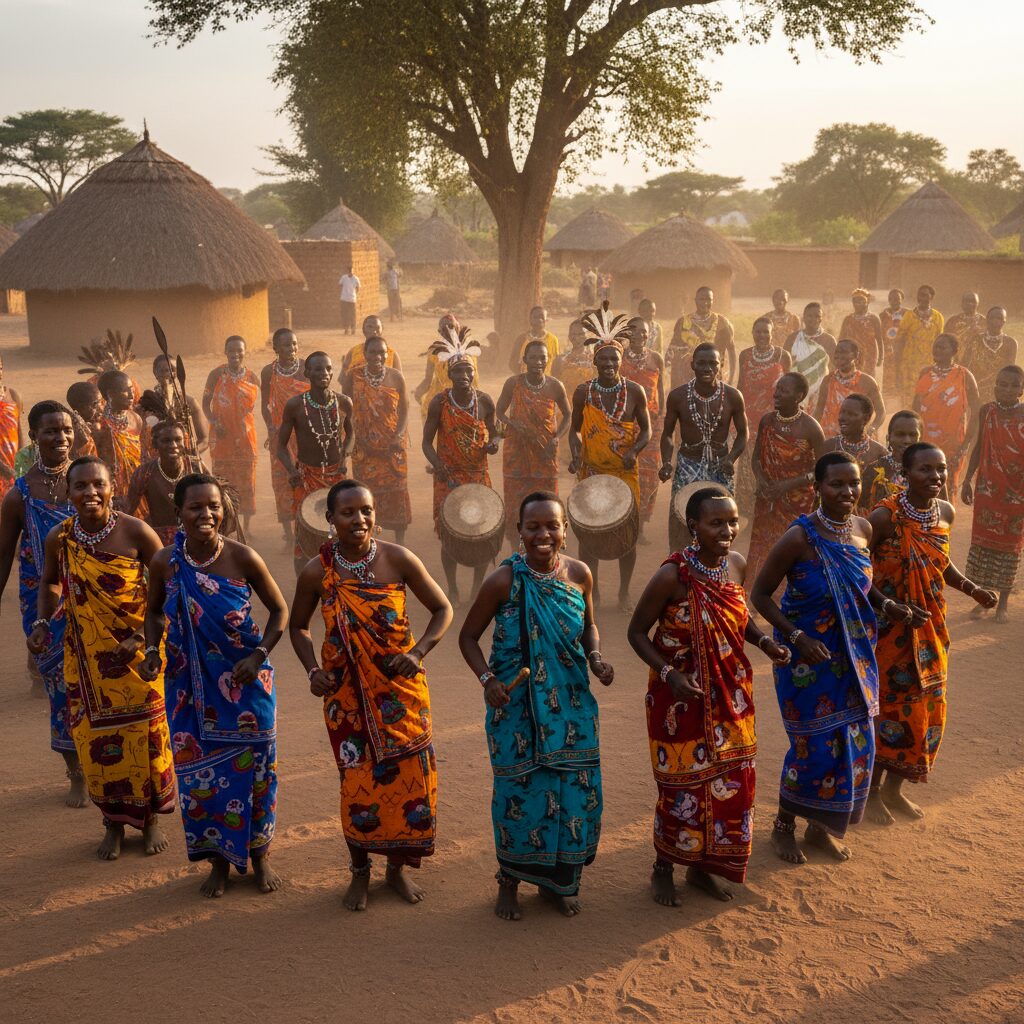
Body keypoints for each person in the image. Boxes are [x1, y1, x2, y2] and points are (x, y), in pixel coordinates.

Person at [290, 479, 453, 911]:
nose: (359, 519)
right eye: (348, 513)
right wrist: (312, 671)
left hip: (401, 692)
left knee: (410, 778)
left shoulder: (398, 559)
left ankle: (396, 870)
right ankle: (360, 871)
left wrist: (417, 653)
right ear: (330, 519)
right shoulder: (317, 572)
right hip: (346, 697)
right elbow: (298, 626)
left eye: (366, 510)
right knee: (357, 782)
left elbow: (443, 609)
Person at [629, 487, 790, 904]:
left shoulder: (735, 565)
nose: (727, 531)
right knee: (680, 786)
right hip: (678, 699)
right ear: (693, 526)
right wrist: (669, 675)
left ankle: (703, 869)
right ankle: (663, 867)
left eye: (733, 521)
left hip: (731, 694)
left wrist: (765, 642)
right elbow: (637, 633)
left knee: (730, 780)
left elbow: (740, 618)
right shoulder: (672, 576)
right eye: (716, 523)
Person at [459, 491, 613, 920]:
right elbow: (467, 637)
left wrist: (595, 657)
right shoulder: (503, 581)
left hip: (572, 702)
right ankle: (508, 882)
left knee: (573, 791)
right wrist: (488, 680)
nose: (543, 534)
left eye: (552, 526)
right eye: (533, 527)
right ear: (520, 532)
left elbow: (590, 626)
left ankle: (556, 884)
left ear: (566, 530)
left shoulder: (579, 574)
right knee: (521, 792)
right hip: (515, 707)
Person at [750, 453, 907, 864]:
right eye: (836, 484)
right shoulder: (799, 537)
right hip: (807, 662)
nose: (847, 491)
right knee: (813, 748)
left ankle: (820, 829)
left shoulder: (863, 529)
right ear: (818, 487)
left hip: (854, 657)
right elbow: (760, 595)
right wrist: (797, 637)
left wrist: (886, 604)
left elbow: (861, 584)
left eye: (853, 483)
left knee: (853, 743)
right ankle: (784, 825)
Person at [141, 473, 287, 897]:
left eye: (214, 506)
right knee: (199, 779)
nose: (206, 514)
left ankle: (260, 857)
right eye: (196, 507)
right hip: (187, 687)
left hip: (247, 686)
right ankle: (218, 862)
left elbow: (279, 611)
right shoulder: (164, 562)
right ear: (179, 512)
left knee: (259, 772)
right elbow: (154, 612)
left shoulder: (243, 557)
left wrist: (257, 656)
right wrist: (152, 650)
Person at [29, 456, 174, 860]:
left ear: (112, 488)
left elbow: (169, 591)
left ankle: (149, 820)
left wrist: (141, 637)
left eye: (99, 485)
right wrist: (42, 622)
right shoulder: (60, 537)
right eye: (81, 486)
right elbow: (50, 582)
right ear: (69, 492)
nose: (90, 493)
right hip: (87, 658)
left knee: (146, 734)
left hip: (140, 656)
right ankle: (113, 822)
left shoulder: (137, 532)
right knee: (96, 740)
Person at [867, 444, 997, 825]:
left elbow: (940, 562)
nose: (936, 477)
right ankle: (871, 792)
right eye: (925, 469)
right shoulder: (884, 517)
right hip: (889, 631)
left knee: (927, 705)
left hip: (930, 627)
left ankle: (895, 789)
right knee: (889, 706)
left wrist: (973, 589)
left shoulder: (945, 512)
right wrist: (888, 606)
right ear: (905, 473)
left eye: (940, 469)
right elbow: (857, 572)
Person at [0, 402, 82, 805]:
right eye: (51, 431)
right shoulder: (20, 495)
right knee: (60, 689)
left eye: (66, 430)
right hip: (43, 607)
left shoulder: (89, 479)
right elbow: (3, 554)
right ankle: (76, 773)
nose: (61, 438)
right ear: (33, 437)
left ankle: (106, 766)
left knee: (98, 684)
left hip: (93, 597)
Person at [568, 308, 651, 610]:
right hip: (592, 473)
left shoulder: (635, 392)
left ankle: (624, 592)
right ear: (594, 361)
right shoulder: (583, 393)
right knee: (589, 535)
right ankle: (593, 591)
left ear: (621, 360)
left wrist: (634, 451)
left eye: (614, 359)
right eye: (603, 359)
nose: (608, 364)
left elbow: (646, 430)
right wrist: (576, 453)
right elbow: (574, 431)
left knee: (627, 536)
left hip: (624, 474)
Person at [422, 328, 499, 604]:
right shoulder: (439, 402)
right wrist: (438, 465)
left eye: (468, 371)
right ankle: (453, 588)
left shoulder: (485, 400)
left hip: (478, 477)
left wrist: (493, 444)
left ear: (474, 373)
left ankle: (477, 587)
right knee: (450, 535)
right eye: (458, 371)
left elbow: (495, 433)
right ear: (449, 374)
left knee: (481, 533)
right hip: (449, 478)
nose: (464, 376)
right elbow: (426, 443)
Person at [744, 373, 826, 587]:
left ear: (798, 396)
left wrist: (788, 485)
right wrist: (762, 481)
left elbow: (822, 470)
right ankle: (758, 589)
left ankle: (789, 592)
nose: (776, 394)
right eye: (777, 389)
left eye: (784, 390)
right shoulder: (767, 421)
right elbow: (756, 458)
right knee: (763, 544)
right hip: (768, 497)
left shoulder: (811, 428)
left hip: (798, 502)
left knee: (793, 545)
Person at [277, 351, 354, 573]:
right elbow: (280, 446)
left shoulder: (343, 402)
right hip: (306, 477)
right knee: (303, 538)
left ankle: (337, 582)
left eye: (328, 368)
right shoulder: (295, 405)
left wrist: (345, 454)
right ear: (307, 373)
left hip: (336, 477)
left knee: (339, 532)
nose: (324, 373)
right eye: (318, 369)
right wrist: (291, 471)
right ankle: (304, 585)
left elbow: (351, 434)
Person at [962, 365, 1024, 624]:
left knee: (1009, 546)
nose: (1006, 389)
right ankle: (985, 599)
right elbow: (978, 446)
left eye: (1013, 385)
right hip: (987, 488)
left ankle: (1004, 604)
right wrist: (967, 479)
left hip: (1017, 492)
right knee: (984, 545)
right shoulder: (986, 410)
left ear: (1021, 390)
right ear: (995, 385)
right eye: (1002, 383)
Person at [495, 340, 570, 545]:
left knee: (547, 501)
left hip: (545, 452)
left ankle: (548, 545)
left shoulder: (555, 386)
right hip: (516, 451)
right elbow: (499, 411)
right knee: (515, 503)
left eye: (542, 358)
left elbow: (568, 415)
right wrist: (513, 424)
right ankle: (516, 547)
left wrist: (556, 438)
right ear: (524, 360)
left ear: (548, 359)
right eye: (533, 357)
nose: (538, 362)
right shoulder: (513, 383)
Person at [343, 335, 412, 544]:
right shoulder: (353, 376)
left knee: (397, 490)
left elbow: (405, 409)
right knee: (365, 493)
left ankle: (400, 541)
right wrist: (356, 439)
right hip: (363, 448)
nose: (377, 357)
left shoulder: (396, 377)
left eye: (382, 352)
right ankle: (368, 539)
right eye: (372, 352)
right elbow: (346, 410)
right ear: (364, 354)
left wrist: (398, 436)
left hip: (392, 446)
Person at [659, 344, 746, 501]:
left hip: (721, 467)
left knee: (723, 513)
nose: (707, 368)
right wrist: (666, 462)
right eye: (701, 363)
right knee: (682, 512)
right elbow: (667, 434)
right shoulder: (677, 396)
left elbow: (743, 433)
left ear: (721, 364)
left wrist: (731, 458)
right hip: (688, 465)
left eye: (713, 363)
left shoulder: (733, 396)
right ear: (692, 365)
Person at [912, 334, 980, 501]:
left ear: (954, 351)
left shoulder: (964, 375)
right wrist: (914, 437)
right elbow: (915, 407)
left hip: (953, 442)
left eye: (942, 347)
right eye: (935, 346)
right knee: (924, 484)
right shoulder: (925, 373)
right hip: (926, 440)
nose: (937, 350)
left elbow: (976, 411)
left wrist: (966, 443)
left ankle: (946, 517)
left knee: (947, 487)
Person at [202, 335, 259, 531]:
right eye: (231, 350)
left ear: (245, 352)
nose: (235, 354)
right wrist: (214, 422)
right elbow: (205, 404)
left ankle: (246, 529)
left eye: (239, 350)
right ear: (225, 352)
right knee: (222, 482)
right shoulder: (216, 374)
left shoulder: (251, 377)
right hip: (222, 436)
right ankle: (226, 526)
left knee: (247, 483)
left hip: (245, 437)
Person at [734, 316, 792, 511]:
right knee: (749, 464)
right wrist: (736, 414)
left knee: (772, 462)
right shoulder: (745, 355)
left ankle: (769, 509)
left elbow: (789, 388)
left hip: (774, 419)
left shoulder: (782, 356)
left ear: (772, 333)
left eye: (766, 332)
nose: (762, 335)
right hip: (749, 419)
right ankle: (749, 511)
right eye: (758, 331)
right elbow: (740, 386)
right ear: (752, 332)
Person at [261, 327, 309, 548]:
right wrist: (271, 427)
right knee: (282, 482)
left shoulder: (307, 369)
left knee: (307, 479)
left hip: (305, 434)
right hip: (281, 436)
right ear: (276, 348)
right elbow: (264, 405)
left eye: (294, 343)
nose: (292, 348)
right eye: (286, 345)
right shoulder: (268, 372)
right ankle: (288, 536)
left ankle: (307, 530)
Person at [621, 317, 666, 533]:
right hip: (624, 424)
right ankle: (623, 521)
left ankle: (639, 525)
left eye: (644, 331)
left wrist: (661, 416)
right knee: (625, 470)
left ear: (649, 334)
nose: (639, 335)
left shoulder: (656, 358)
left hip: (651, 424)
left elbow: (661, 390)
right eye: (634, 330)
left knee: (648, 473)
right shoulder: (618, 356)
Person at [124, 420, 202, 545]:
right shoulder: (145, 473)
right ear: (155, 445)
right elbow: (128, 511)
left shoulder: (195, 468)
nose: (173, 445)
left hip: (194, 540)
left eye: (178, 440)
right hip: (158, 543)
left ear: (184, 442)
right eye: (166, 441)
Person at [813, 338, 885, 438]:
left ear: (855, 355)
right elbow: (819, 411)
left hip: (858, 437)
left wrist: (872, 428)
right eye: (837, 352)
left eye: (843, 352)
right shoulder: (828, 380)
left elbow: (881, 412)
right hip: (830, 437)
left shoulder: (867, 382)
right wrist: (813, 431)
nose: (838, 355)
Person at [668, 286, 736, 388]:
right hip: (687, 378)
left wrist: (731, 378)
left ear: (713, 301)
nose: (705, 303)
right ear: (695, 300)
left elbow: (731, 350)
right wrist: (674, 383)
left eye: (708, 299)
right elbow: (672, 352)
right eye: (702, 299)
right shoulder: (683, 322)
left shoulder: (722, 322)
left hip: (713, 377)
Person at [94, 369, 144, 504]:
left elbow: (142, 455)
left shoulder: (136, 419)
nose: (131, 395)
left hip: (137, 486)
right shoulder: (100, 425)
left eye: (132, 389)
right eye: (125, 391)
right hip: (111, 489)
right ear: (110, 394)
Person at [821, 394, 887, 493]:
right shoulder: (828, 447)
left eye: (851, 414)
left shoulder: (879, 453)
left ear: (866, 419)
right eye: (842, 412)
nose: (842, 418)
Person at [414, 313, 474, 418]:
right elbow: (428, 379)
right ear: (439, 332)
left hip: (462, 403)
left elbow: (473, 381)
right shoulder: (434, 353)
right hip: (439, 403)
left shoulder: (468, 351)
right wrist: (419, 394)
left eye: (451, 327)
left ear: (458, 328)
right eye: (444, 328)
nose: (448, 331)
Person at [148, 354, 207, 457]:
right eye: (162, 370)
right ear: (155, 373)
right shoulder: (146, 404)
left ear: (177, 373)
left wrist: (191, 454)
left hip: (184, 457)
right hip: (156, 458)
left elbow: (204, 440)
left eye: (172, 369)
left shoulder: (189, 402)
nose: (168, 373)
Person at [862, 410, 923, 510]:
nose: (907, 440)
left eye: (913, 435)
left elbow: (942, 511)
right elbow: (860, 510)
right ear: (888, 438)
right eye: (900, 434)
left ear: (920, 439)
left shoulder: (930, 471)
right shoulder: (873, 470)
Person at [893, 285, 944, 404]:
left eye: (925, 295)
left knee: (929, 398)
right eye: (919, 295)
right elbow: (899, 341)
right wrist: (898, 364)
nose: (921, 298)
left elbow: (940, 342)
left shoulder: (938, 317)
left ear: (931, 297)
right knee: (909, 399)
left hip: (930, 365)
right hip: (909, 365)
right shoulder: (909, 316)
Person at [784, 302, 836, 408]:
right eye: (810, 316)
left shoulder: (828, 340)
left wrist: (827, 386)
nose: (813, 319)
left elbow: (835, 366)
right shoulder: (792, 338)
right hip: (797, 390)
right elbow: (784, 364)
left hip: (821, 391)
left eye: (817, 316)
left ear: (821, 319)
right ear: (803, 318)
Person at [960, 306, 1018, 397]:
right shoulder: (975, 339)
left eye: (999, 318)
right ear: (986, 320)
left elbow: (1010, 370)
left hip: (1000, 390)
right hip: (976, 389)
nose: (995, 321)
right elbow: (965, 365)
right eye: (992, 318)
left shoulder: (1010, 343)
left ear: (1004, 321)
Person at [340, 314, 403, 379]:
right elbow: (343, 379)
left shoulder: (392, 354)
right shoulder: (353, 352)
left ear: (382, 330)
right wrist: (344, 368)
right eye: (370, 327)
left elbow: (399, 380)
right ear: (363, 330)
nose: (374, 331)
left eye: (377, 328)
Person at [838, 289, 883, 377]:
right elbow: (841, 339)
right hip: (851, 355)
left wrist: (881, 357)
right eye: (855, 301)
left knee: (868, 378)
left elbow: (879, 339)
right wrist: (840, 356)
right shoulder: (848, 320)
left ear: (868, 302)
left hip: (869, 355)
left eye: (861, 300)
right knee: (852, 378)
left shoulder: (873, 319)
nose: (858, 303)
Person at [509, 305, 560, 372]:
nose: (539, 320)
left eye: (542, 317)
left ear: (546, 320)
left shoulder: (553, 340)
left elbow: (556, 363)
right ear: (530, 319)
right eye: (535, 317)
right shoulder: (521, 339)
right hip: (526, 377)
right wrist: (521, 376)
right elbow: (512, 363)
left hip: (546, 377)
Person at [0, 354, 23, 499]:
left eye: (0, 368)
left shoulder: (13, 395)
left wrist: (22, 463)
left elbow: (18, 431)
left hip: (12, 466)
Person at [551, 318, 594, 397]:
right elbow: (554, 388)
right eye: (573, 334)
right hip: (567, 403)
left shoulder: (595, 360)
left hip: (589, 403)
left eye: (581, 334)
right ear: (569, 336)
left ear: (588, 335)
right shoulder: (559, 360)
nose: (577, 337)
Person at [879, 288, 909, 388]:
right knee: (889, 377)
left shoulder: (908, 315)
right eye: (891, 299)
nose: (894, 301)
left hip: (903, 349)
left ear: (902, 300)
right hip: (888, 351)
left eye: (897, 299)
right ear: (889, 300)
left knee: (902, 375)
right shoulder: (882, 316)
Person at [66, 381, 102, 459]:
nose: (101, 409)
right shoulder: (78, 433)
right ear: (81, 407)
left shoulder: (82, 424)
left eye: (100, 403)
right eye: (95, 405)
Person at [339, 264, 360, 334]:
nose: (351, 272)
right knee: (345, 314)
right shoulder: (344, 277)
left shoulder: (356, 278)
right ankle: (346, 329)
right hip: (344, 299)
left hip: (352, 299)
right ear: (347, 271)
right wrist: (344, 293)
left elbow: (358, 288)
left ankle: (353, 328)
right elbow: (340, 285)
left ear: (353, 271)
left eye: (352, 271)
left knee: (352, 315)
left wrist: (354, 294)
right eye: (350, 271)